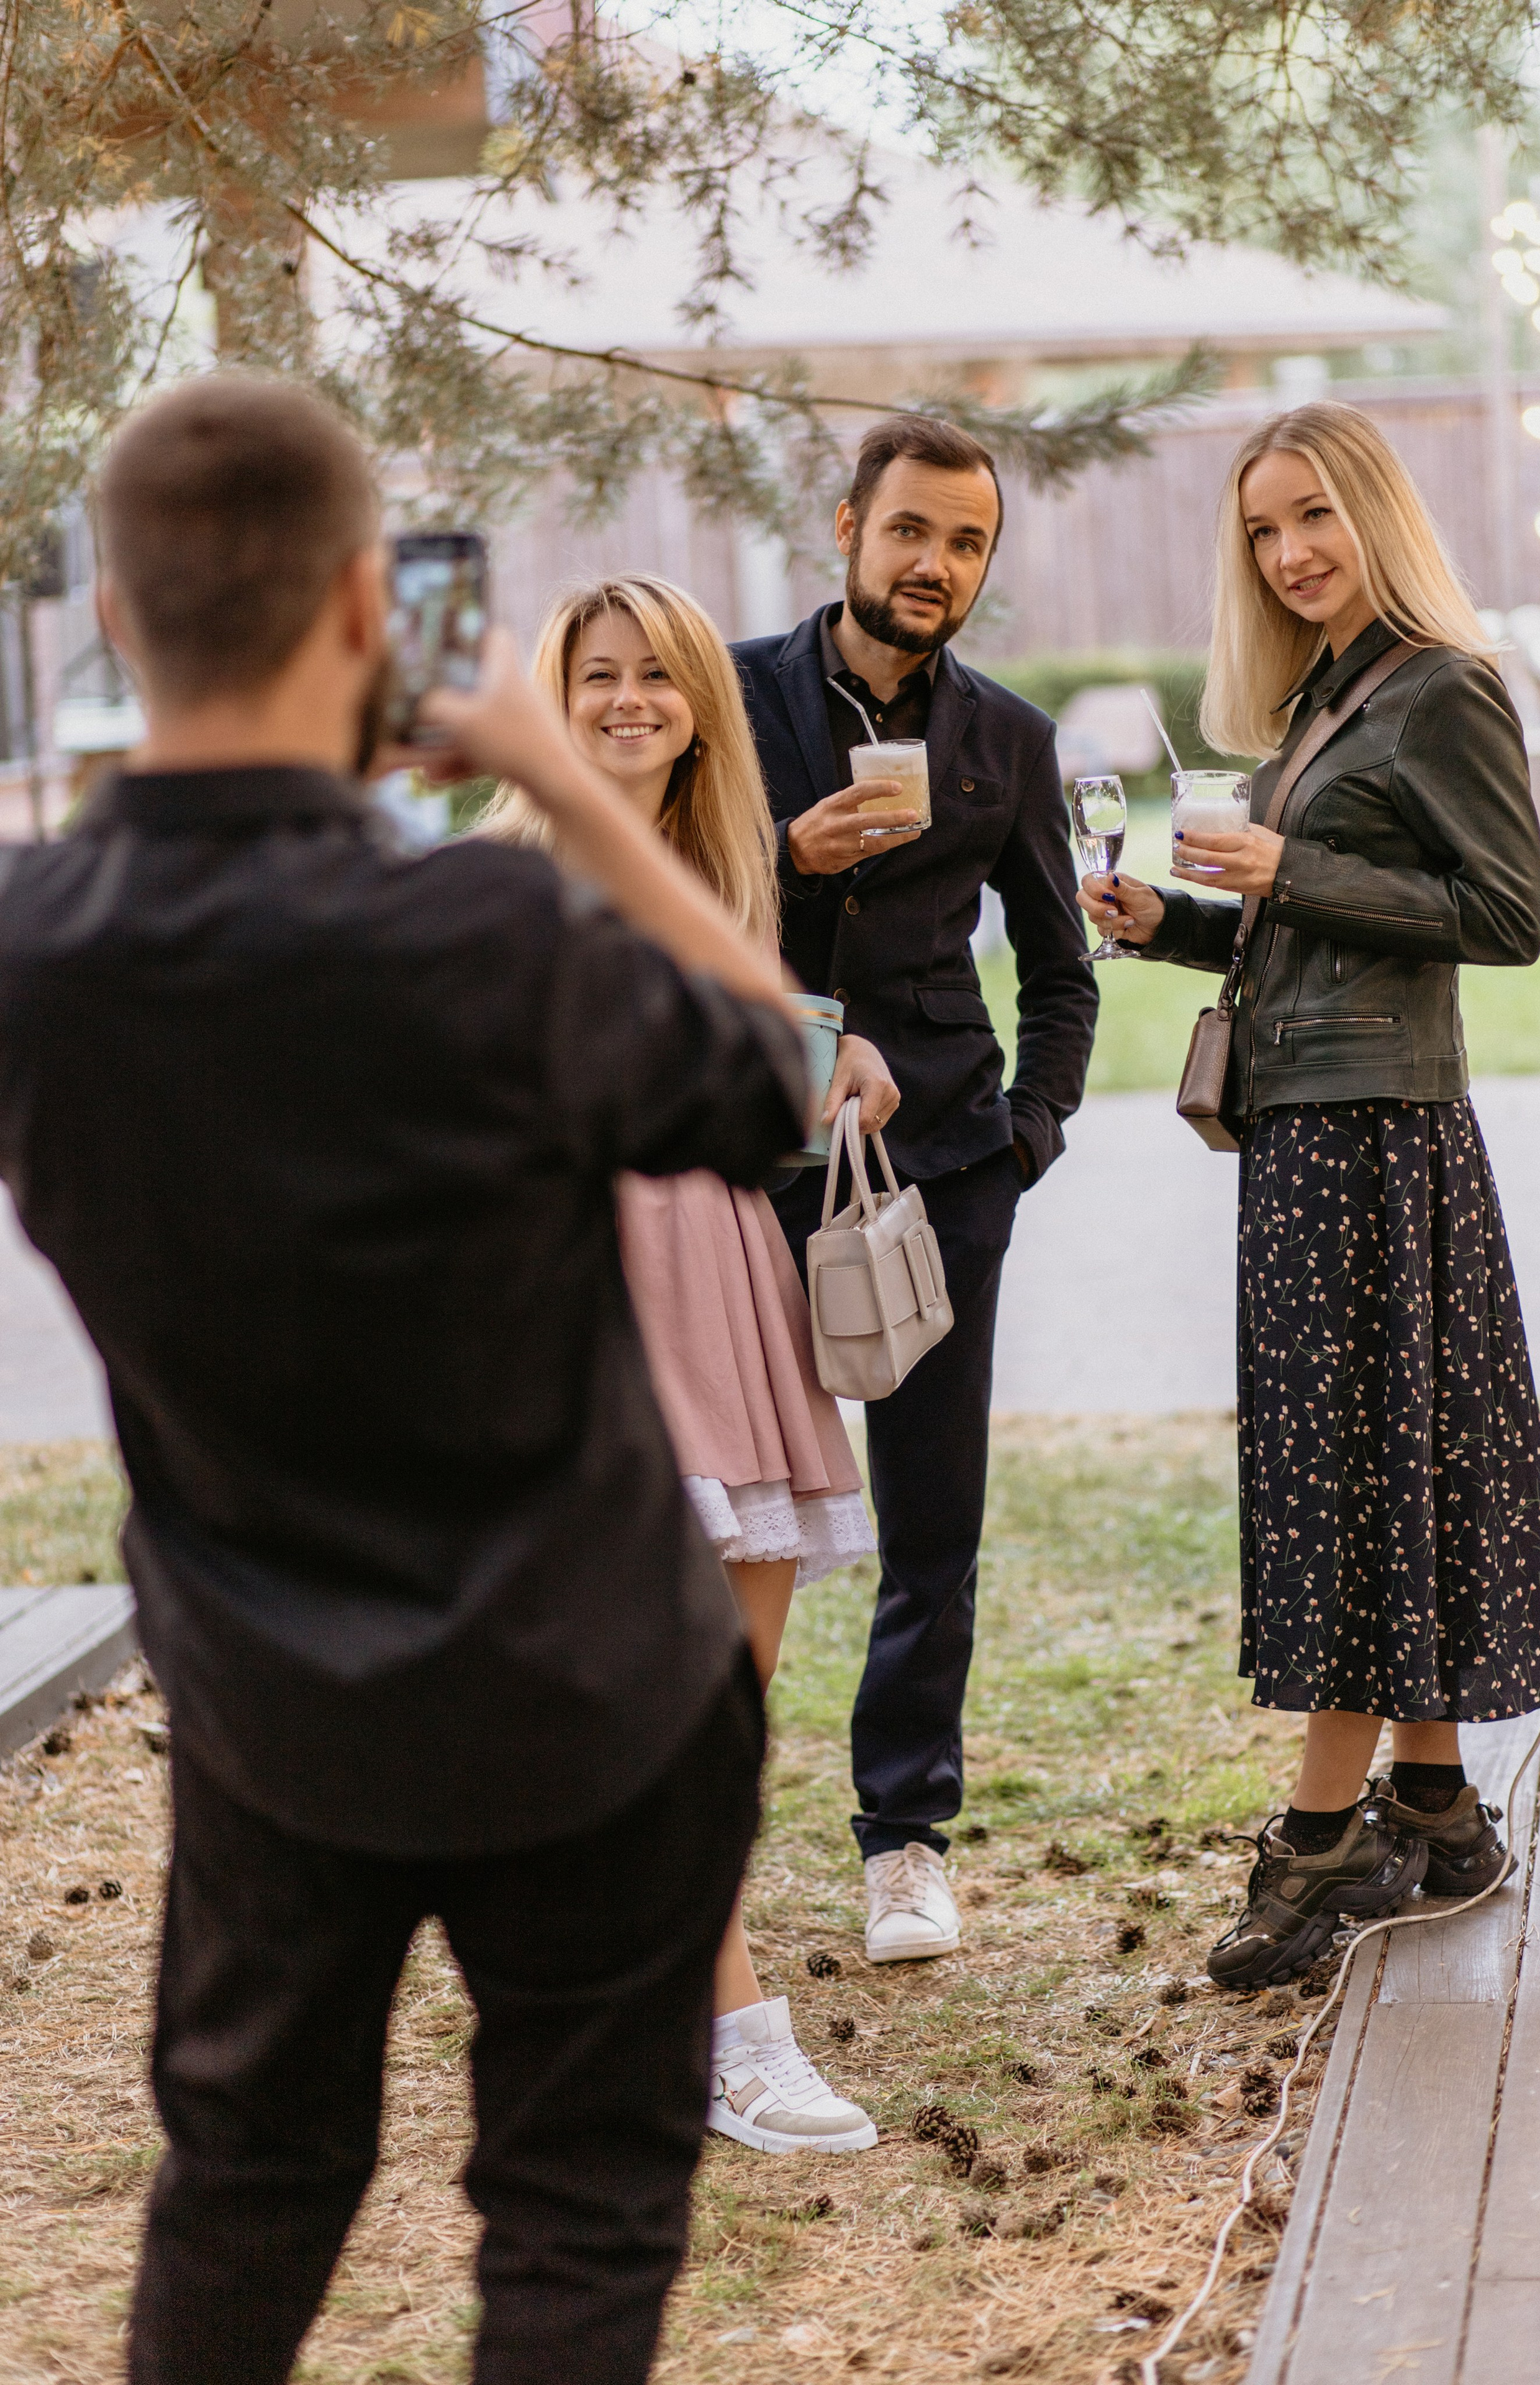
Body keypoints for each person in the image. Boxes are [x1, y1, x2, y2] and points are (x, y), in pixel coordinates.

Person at [0, 375, 812, 2385]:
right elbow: (770, 1073)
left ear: (120, 617)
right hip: (594, 1687)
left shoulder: (36, 955)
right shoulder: (494, 924)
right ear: (374, 609)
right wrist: (567, 786)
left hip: (271, 1709)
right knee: (576, 2218)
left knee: (244, 2190)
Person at [1078, 400, 1540, 1988]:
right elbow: (1295, 933)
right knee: (1371, 1463)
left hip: (1377, 1135)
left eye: (1312, 515)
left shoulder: (1441, 684)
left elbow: (1508, 915)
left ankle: (1318, 1845)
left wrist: (1284, 868)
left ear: (1372, 513)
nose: (1288, 551)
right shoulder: (1321, 695)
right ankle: (1431, 1808)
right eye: (1261, 529)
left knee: (1350, 1473)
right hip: (1311, 1132)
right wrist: (1168, 919)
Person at [484, 571, 895, 2153]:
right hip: (583, 1288)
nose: (628, 701)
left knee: (724, 1700)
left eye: (657, 675)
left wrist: (833, 1053)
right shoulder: (507, 873)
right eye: (597, 674)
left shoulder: (724, 870)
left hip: (721, 1276)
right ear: (553, 695)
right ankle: (727, 2032)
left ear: (700, 708)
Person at [733, 416, 1099, 1963]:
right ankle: (680, 1828)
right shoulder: (729, 696)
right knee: (727, 1516)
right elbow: (655, 894)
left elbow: (1060, 968)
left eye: (965, 543)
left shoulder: (1005, 738)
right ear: (846, 528)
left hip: (944, 1168)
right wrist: (792, 855)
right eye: (909, 531)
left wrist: (1025, 1138)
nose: (934, 564)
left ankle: (904, 1842)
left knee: (930, 1525)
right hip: (746, 1164)